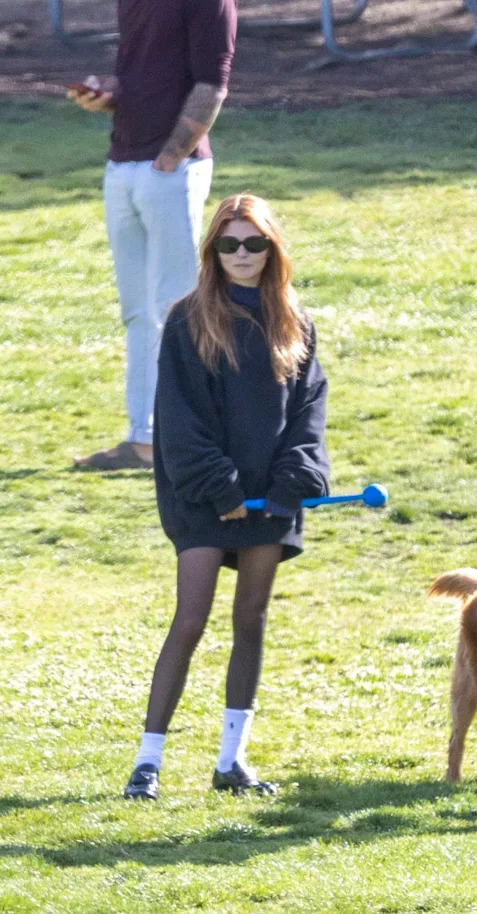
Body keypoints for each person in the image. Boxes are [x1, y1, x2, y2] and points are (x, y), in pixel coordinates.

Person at [122, 193, 330, 800]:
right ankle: (147, 763)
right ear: (213, 250)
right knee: (190, 620)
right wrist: (221, 488)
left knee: (250, 618)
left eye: (254, 243)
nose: (242, 254)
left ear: (271, 249)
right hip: (203, 498)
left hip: (271, 499)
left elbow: (308, 412)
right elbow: (179, 419)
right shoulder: (187, 320)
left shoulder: (295, 321)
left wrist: (291, 481)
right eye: (229, 243)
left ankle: (231, 761)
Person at [68, 0, 238, 471]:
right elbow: (145, 76)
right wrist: (108, 93)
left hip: (172, 169)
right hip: (122, 164)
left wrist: (169, 160)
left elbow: (212, 84)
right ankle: (143, 441)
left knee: (178, 307)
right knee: (139, 312)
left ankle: (198, 440)